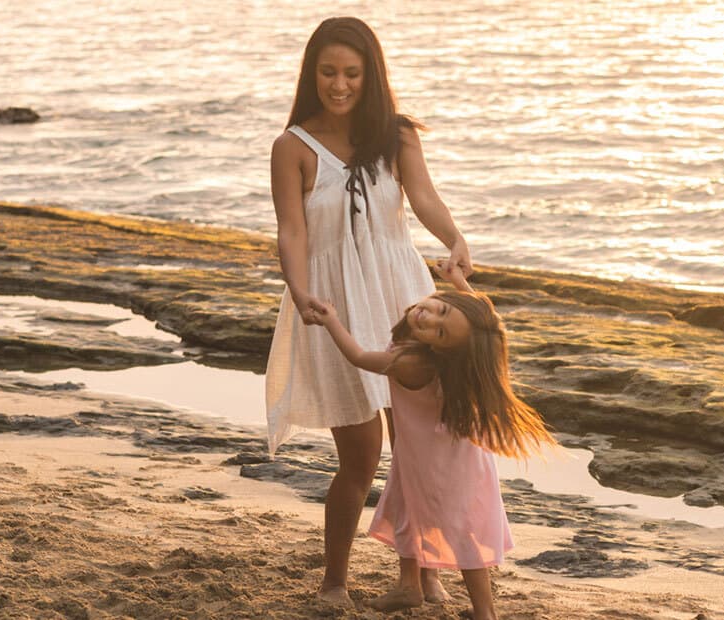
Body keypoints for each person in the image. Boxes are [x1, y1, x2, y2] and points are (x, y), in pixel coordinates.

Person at [264, 16, 473, 607]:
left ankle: (420, 575)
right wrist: (299, 290)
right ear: (312, 74)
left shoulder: (398, 135)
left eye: (352, 73)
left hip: (401, 297)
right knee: (360, 457)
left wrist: (453, 237)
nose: (339, 84)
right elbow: (291, 232)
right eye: (328, 72)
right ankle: (335, 582)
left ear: (370, 75)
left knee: (415, 448)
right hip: (333, 306)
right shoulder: (293, 147)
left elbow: (424, 198)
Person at [313, 260, 557, 619]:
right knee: (412, 515)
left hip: (433, 466)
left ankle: (485, 612)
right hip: (454, 461)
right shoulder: (462, 354)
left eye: (439, 332)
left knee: (462, 534)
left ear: (443, 349)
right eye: (440, 308)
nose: (429, 318)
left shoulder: (412, 361)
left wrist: (331, 319)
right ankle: (409, 587)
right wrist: (459, 281)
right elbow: (482, 323)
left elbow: (359, 357)